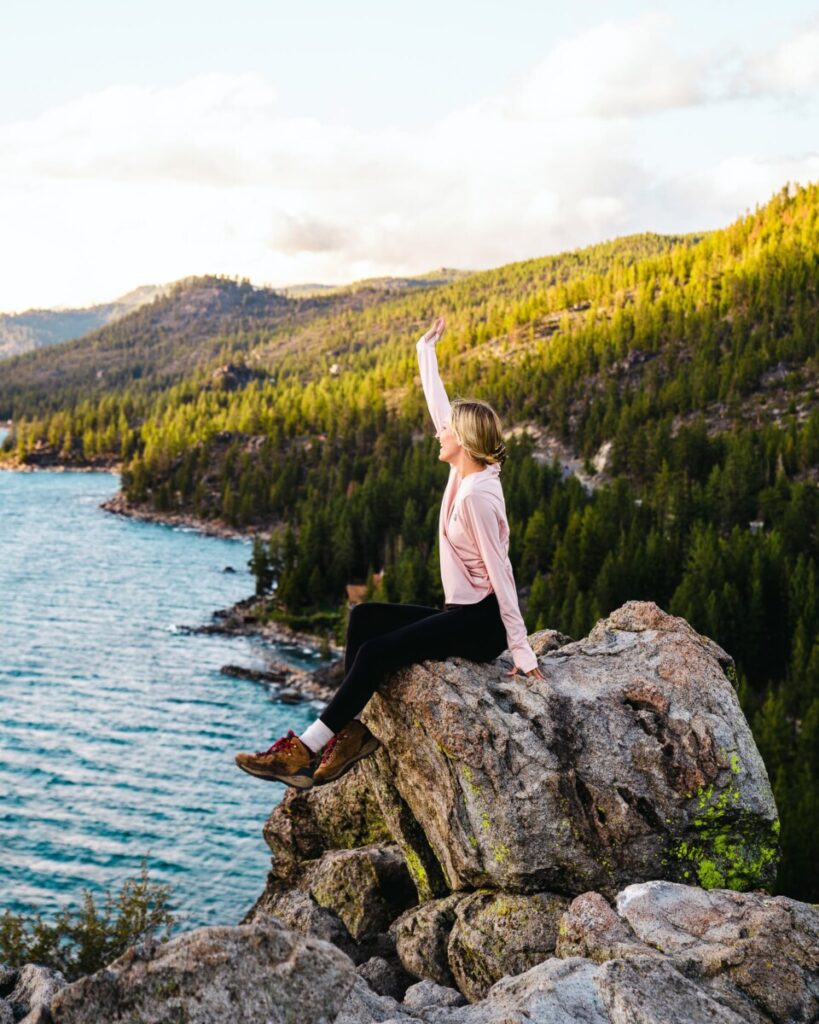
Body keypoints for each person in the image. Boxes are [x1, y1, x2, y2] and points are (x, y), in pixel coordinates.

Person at [234, 315, 544, 790]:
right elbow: (439, 408)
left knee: (378, 652)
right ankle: (353, 731)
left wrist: (521, 650)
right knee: (364, 618)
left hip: (482, 625)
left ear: (462, 442)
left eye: (447, 432)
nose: (438, 434)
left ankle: (305, 750)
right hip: (461, 612)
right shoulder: (464, 472)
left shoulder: (478, 494)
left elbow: (502, 572)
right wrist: (426, 352)